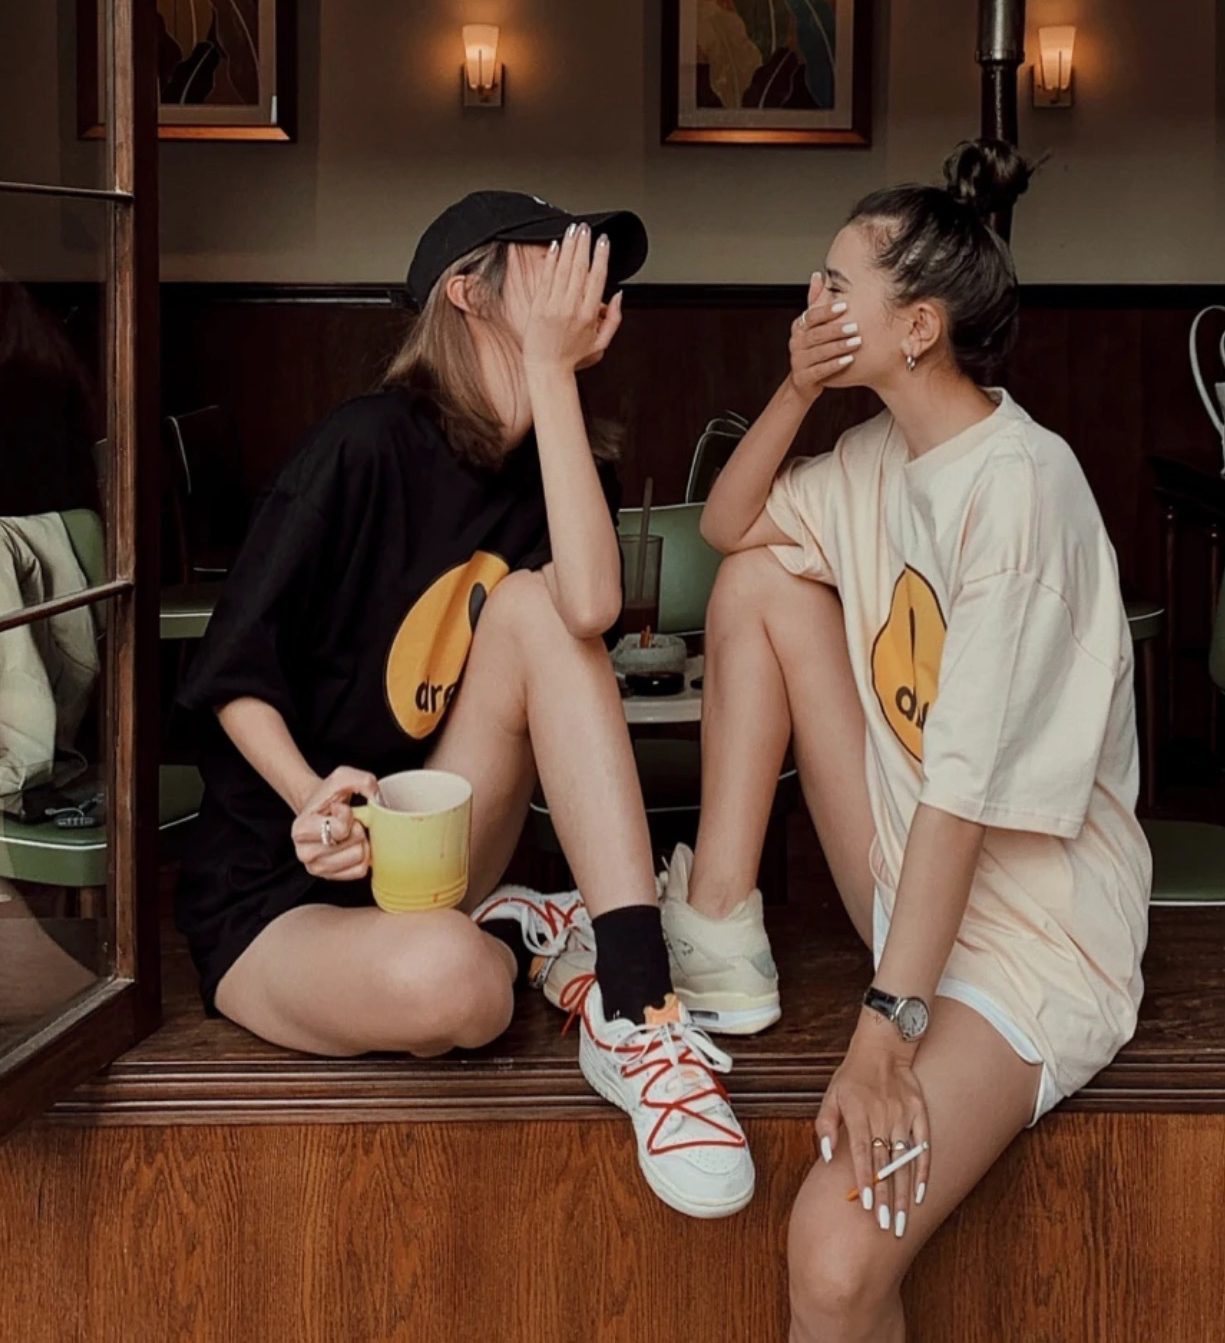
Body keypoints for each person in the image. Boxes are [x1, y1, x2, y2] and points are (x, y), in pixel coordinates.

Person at [175, 192, 753, 1219]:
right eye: (551, 256)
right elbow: (231, 671)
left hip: (434, 855)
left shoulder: (565, 461)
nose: (585, 275)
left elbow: (589, 608)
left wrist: (550, 376)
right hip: (282, 889)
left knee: (537, 607)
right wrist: (310, 795)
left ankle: (635, 999)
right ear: (466, 291)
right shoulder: (362, 446)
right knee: (464, 988)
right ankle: (526, 941)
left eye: (593, 262)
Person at [657, 142, 1152, 1337]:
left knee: (834, 1257)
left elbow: (965, 797)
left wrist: (885, 1029)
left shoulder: (1022, 488)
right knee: (760, 583)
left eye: (835, 287)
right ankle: (718, 923)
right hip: (907, 876)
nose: (810, 304)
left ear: (919, 327)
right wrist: (794, 392)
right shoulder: (877, 454)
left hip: (1029, 938)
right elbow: (728, 527)